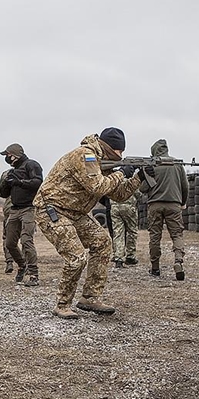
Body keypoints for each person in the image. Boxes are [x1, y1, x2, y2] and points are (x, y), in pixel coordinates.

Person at [33, 127, 143, 319]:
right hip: (51, 209)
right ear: (110, 147)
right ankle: (62, 304)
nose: (121, 155)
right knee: (77, 256)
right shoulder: (86, 155)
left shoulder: (102, 162)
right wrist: (120, 174)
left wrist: (138, 178)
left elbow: (119, 195)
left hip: (75, 213)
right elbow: (97, 187)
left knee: (102, 242)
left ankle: (90, 298)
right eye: (120, 151)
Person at [139, 139, 189, 280]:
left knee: (155, 236)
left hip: (155, 205)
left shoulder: (151, 165)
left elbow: (143, 188)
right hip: (174, 204)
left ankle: (155, 268)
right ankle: (178, 262)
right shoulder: (176, 164)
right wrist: (183, 202)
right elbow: (185, 186)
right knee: (177, 235)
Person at [0, 143, 43, 286]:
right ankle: (22, 265)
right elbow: (3, 194)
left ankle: (33, 274)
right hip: (14, 210)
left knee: (26, 240)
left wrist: (20, 182)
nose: (7, 159)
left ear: (15, 155)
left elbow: (38, 182)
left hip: (29, 209)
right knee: (10, 243)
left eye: (8, 155)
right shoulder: (12, 171)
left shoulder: (32, 165)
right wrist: (7, 181)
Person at [110, 192, 140, 268]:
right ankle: (130, 256)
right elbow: (138, 193)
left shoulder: (114, 179)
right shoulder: (129, 180)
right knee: (132, 231)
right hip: (128, 205)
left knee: (118, 232)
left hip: (114, 206)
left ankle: (118, 258)